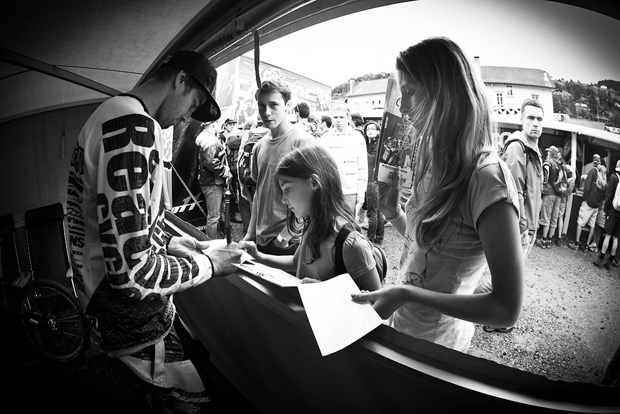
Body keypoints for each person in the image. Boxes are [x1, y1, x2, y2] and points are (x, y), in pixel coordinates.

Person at [65, 50, 244, 412]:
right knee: (192, 402)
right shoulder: (134, 127)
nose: (185, 118)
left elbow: (119, 224)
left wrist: (173, 240)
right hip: (129, 316)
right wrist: (211, 265)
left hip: (99, 299)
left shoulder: (108, 114)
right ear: (181, 80)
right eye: (193, 105)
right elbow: (132, 275)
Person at [351, 37, 523, 352]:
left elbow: (506, 309)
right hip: (403, 328)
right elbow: (433, 250)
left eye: (411, 92)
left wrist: (406, 294)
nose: (402, 107)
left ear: (445, 94)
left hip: (437, 346)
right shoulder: (433, 157)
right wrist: (393, 213)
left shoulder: (488, 178)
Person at [241, 145, 381, 290]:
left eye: (287, 189)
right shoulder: (311, 224)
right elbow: (297, 262)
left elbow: (376, 299)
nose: (283, 200)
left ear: (314, 183)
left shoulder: (351, 244)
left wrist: (327, 291)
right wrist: (258, 256)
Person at [243, 78, 314, 255]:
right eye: (261, 105)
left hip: (290, 243)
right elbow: (259, 192)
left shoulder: (303, 143)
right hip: (261, 239)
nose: (266, 112)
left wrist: (284, 237)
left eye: (273, 105)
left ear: (287, 105)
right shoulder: (258, 146)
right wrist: (250, 233)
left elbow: (314, 196)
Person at [318, 104, 368, 219]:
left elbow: (362, 167)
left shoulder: (357, 138)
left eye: (341, 117)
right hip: (330, 189)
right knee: (329, 222)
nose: (338, 120)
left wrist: (361, 193)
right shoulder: (326, 138)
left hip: (350, 191)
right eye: (335, 117)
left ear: (348, 118)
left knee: (347, 223)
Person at [196, 121, 231, 240]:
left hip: (211, 181)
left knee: (215, 215)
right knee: (214, 216)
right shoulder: (209, 140)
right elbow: (211, 162)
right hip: (212, 182)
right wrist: (225, 171)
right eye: (217, 122)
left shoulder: (207, 138)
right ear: (213, 124)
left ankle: (217, 237)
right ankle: (211, 242)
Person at [569, 155, 606, 251]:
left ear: (594, 162)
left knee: (580, 222)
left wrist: (585, 198)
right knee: (592, 225)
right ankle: (586, 245)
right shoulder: (603, 174)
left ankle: (576, 244)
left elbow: (588, 187)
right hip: (596, 205)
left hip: (589, 202)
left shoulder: (592, 171)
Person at [536, 146, 565, 249]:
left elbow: (546, 170)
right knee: (554, 218)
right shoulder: (559, 164)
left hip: (549, 193)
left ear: (550, 153)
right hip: (558, 195)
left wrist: (545, 180)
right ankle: (549, 241)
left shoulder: (549, 161)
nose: (547, 153)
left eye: (548, 152)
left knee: (546, 217)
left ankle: (543, 240)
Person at [593, 160, 620, 268]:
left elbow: (609, 195)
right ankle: (610, 261)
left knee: (608, 235)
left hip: (613, 211)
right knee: (615, 238)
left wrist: (606, 210)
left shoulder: (614, 177)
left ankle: (601, 258)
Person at [363, 120, 385, 245]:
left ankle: (369, 239)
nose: (369, 131)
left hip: (372, 180)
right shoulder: (370, 144)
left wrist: (361, 150)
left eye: (372, 129)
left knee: (372, 212)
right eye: (368, 129)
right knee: (377, 211)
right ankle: (379, 237)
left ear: (378, 131)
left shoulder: (377, 145)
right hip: (373, 180)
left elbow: (372, 160)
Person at [554, 164, 576, 246]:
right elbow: (573, 189)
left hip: (558, 194)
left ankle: (549, 235)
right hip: (565, 196)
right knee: (560, 216)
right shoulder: (572, 173)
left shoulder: (563, 169)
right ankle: (559, 237)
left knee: (554, 214)